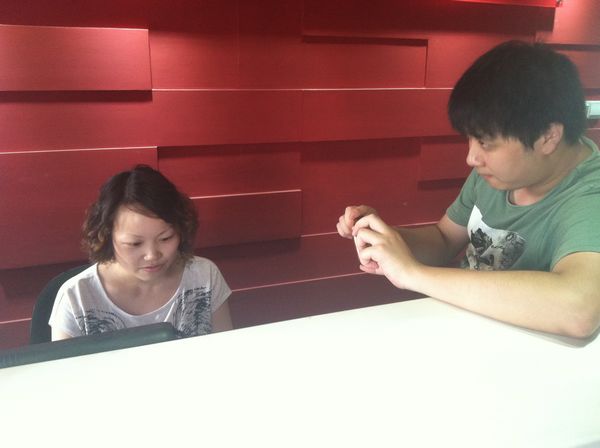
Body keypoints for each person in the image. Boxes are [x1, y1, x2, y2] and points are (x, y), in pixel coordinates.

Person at [337, 40, 600, 339]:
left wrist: (413, 274)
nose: (471, 158)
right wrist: (388, 239)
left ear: (548, 137)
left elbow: (580, 309)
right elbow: (444, 239)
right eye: (470, 140)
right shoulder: (497, 175)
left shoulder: (589, 196)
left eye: (486, 143)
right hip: (463, 333)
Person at [49, 165, 232, 340]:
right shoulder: (77, 298)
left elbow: (226, 352)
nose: (152, 255)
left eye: (165, 238)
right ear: (106, 236)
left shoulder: (204, 276)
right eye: (135, 243)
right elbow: (65, 363)